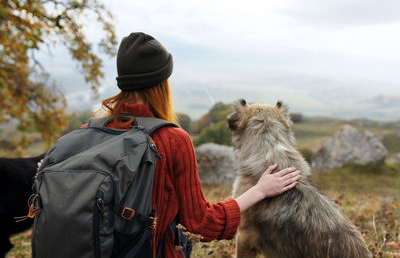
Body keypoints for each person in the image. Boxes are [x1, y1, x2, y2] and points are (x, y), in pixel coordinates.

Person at [89, 32, 301, 257]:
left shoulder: (90, 131)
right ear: (162, 83)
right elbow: (201, 224)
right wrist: (259, 190)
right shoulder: (173, 140)